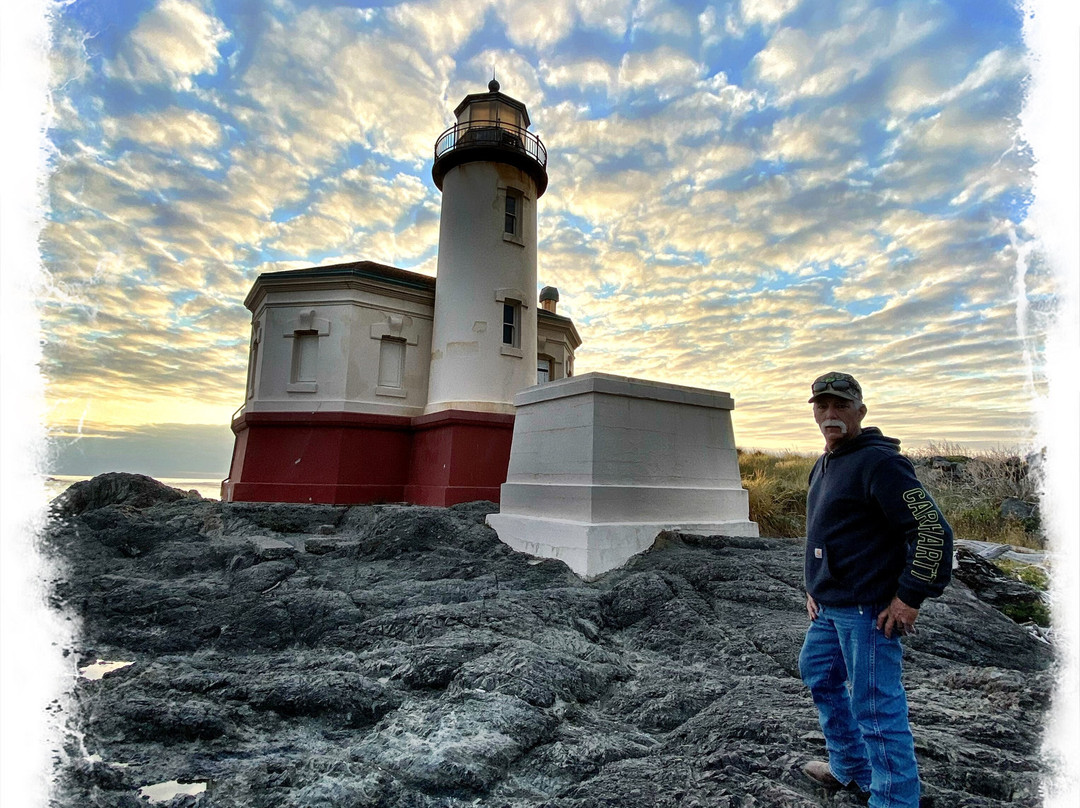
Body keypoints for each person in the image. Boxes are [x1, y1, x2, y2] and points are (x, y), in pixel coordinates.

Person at [798, 372, 953, 807]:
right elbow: (826, 531)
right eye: (822, 406)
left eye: (841, 406)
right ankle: (851, 767)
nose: (830, 414)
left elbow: (932, 531)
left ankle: (895, 799)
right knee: (820, 674)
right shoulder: (827, 459)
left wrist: (909, 597)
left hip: (869, 611)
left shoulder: (881, 464)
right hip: (830, 606)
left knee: (875, 707)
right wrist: (816, 586)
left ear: (860, 412)